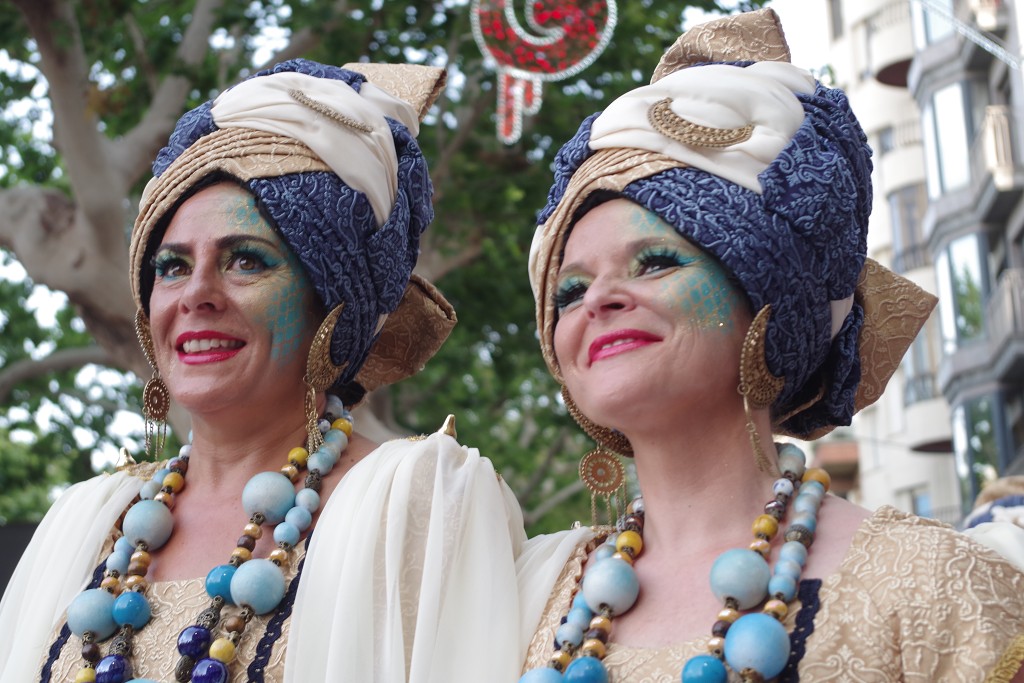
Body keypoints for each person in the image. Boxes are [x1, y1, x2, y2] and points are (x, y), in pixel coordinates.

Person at [515, 9, 1024, 682]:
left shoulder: (935, 586)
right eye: (570, 291)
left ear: (767, 298)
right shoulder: (531, 596)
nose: (599, 299)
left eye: (655, 262)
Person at [0, 59, 527, 682]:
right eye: (171, 267)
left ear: (330, 302)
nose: (196, 294)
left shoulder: (419, 499)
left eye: (246, 260)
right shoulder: (84, 519)